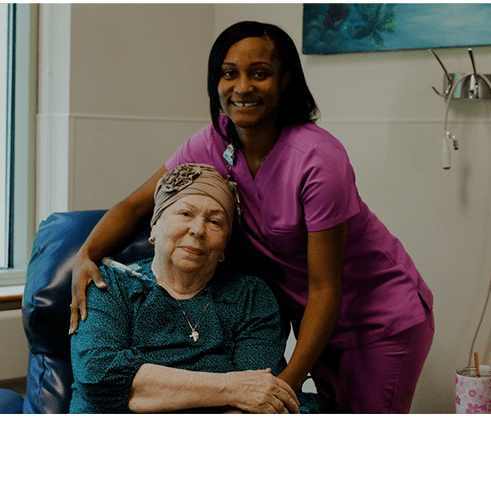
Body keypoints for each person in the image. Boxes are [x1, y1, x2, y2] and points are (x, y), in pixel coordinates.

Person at [70, 21, 435, 414]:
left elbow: (326, 288)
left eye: (259, 74)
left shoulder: (319, 160)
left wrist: (280, 390)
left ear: (285, 80)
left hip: (376, 314)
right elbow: (138, 206)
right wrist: (86, 254)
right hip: (311, 318)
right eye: (229, 74)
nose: (242, 87)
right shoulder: (213, 142)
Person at [69, 163, 300, 414]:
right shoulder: (109, 285)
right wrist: (231, 387)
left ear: (225, 244)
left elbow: (259, 397)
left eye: (215, 221)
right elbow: (99, 377)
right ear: (154, 227)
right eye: (185, 214)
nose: (198, 230)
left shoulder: (251, 297)